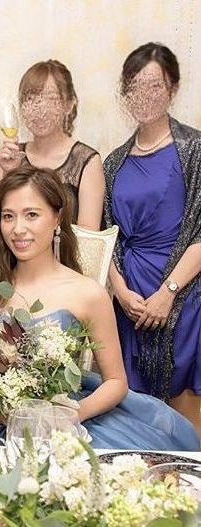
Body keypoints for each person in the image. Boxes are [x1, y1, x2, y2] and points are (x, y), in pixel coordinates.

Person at [0, 166, 198, 450]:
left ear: (57, 218)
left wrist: (68, 415)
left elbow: (116, 383)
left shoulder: (88, 293)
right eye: (8, 216)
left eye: (32, 215)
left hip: (64, 419)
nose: (18, 228)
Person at [104, 42, 201, 435]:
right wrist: (119, 291)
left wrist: (169, 292)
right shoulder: (114, 162)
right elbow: (107, 236)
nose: (143, 95)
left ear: (173, 89)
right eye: (135, 86)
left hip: (185, 299)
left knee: (187, 428)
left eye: (154, 85)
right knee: (134, 425)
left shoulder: (195, 149)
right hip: (130, 304)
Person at [0, 60, 104, 230]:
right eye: (30, 99)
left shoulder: (87, 161)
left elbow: (89, 237)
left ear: (68, 105)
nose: (40, 109)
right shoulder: (5, 159)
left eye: (50, 99)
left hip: (67, 249)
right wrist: (9, 173)